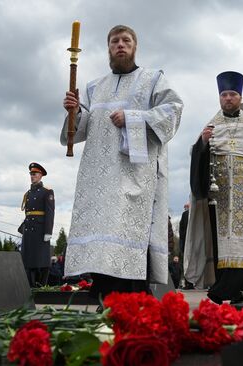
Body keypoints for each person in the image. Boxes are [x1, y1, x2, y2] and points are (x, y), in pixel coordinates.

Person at [61, 25, 183, 300]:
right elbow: (79, 131)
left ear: (134, 47)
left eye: (126, 40)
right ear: (108, 48)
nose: (120, 45)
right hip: (97, 176)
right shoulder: (95, 87)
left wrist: (133, 117)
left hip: (134, 175)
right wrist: (74, 111)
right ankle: (104, 293)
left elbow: (174, 110)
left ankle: (131, 297)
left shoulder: (153, 79)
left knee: (125, 230)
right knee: (101, 232)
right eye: (114, 41)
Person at [185, 71, 243, 303]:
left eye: (232, 94)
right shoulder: (211, 127)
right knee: (221, 241)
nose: (228, 98)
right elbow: (197, 157)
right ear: (220, 98)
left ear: (240, 96)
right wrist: (203, 144)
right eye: (224, 94)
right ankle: (221, 288)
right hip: (221, 197)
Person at [19, 163, 55, 287]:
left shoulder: (47, 192)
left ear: (40, 175)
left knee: (40, 261)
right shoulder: (28, 193)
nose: (32, 176)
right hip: (29, 230)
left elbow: (50, 213)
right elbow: (28, 214)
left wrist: (48, 232)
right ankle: (29, 285)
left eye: (34, 174)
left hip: (40, 230)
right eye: (31, 174)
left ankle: (39, 286)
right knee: (28, 260)